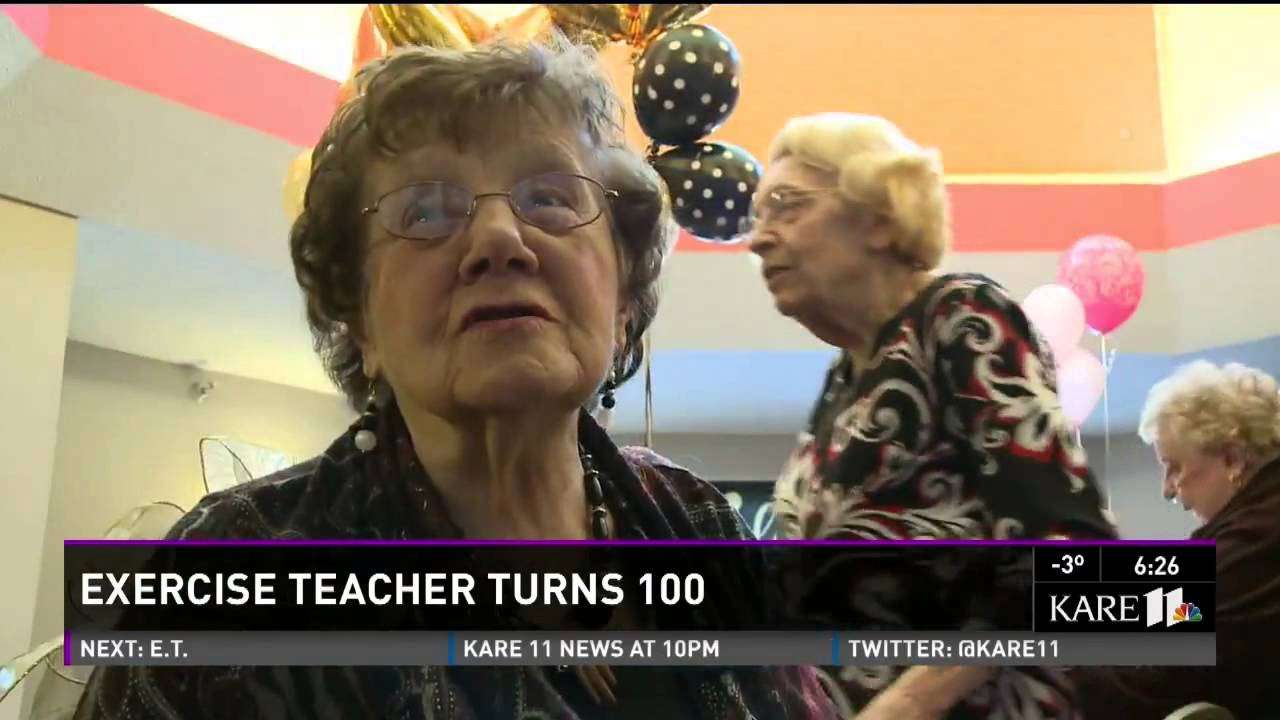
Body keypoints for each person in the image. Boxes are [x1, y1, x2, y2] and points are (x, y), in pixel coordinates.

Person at [73, 39, 835, 720]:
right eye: (428, 211)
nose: (499, 239)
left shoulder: (697, 523)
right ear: (361, 322)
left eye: (550, 197)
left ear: (624, 304)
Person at [743, 112, 1118, 718]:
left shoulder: (959, 318)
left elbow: (1072, 549)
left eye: (787, 206)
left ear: (879, 217)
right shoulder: (845, 379)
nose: (759, 237)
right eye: (757, 216)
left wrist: (910, 703)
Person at [1072, 361, 1280, 719]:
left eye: (1175, 467)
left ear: (1232, 459)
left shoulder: (1252, 545)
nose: (1168, 490)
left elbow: (1153, 671)